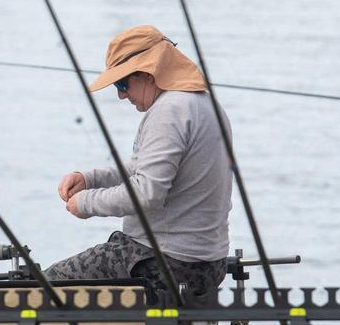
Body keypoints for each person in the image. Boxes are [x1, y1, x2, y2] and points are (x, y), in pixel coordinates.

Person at [46, 25, 232, 307]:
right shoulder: (205, 104)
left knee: (39, 290)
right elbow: (142, 166)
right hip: (207, 264)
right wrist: (90, 178)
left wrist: (85, 203)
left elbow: (147, 193)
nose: (122, 95)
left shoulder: (168, 111)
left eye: (123, 84)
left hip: (163, 262)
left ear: (147, 74)